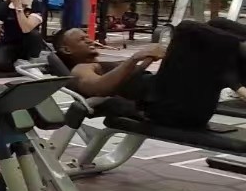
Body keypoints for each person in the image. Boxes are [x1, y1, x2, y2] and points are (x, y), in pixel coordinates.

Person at [54, 20, 246, 129]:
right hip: (166, 109)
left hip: (180, 102)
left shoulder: (102, 64)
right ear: (67, 50)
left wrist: (148, 59)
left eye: (87, 36)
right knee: (187, 30)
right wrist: (134, 58)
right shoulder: (79, 69)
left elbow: (127, 81)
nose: (89, 40)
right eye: (82, 39)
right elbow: (100, 88)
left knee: (217, 25)